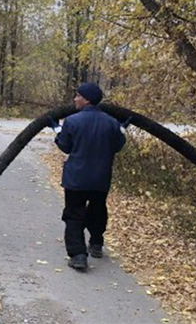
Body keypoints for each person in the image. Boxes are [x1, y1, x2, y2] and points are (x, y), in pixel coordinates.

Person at [51, 83, 126, 270]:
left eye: (77, 96)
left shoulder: (72, 121)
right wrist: (122, 129)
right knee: (98, 210)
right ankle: (96, 244)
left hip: (76, 178)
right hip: (101, 178)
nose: (75, 99)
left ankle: (78, 255)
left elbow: (65, 146)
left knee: (74, 214)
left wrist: (56, 129)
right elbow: (118, 145)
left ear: (87, 99)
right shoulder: (111, 122)